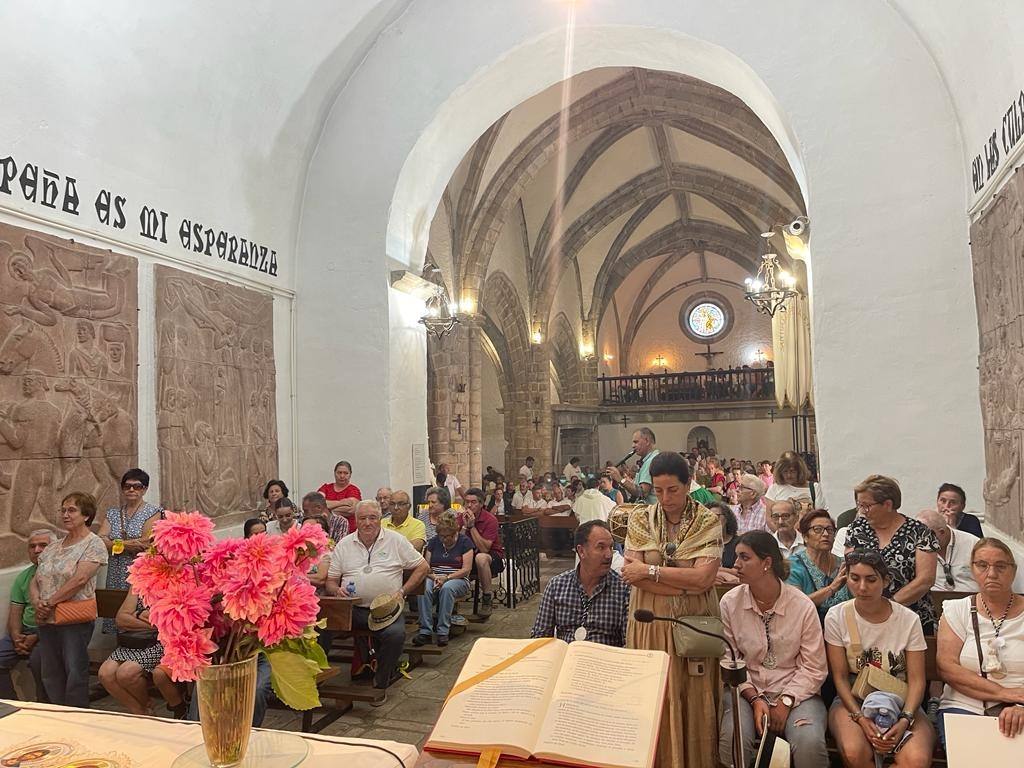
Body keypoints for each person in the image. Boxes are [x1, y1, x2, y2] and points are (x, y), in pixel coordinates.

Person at [621, 451, 721, 768]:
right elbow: (629, 572)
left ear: (688, 483)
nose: (665, 498)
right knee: (655, 696)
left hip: (693, 623)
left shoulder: (708, 521)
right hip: (649, 620)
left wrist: (651, 573)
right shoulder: (639, 518)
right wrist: (685, 583)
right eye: (658, 490)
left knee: (694, 696)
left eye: (673, 490)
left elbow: (705, 577)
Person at [719, 531, 829, 768]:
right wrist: (754, 697)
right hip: (745, 691)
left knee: (809, 741)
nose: (735, 565)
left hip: (798, 694)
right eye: (736, 557)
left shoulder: (801, 606)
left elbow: (814, 667)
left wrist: (786, 700)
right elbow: (729, 660)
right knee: (733, 737)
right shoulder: (730, 602)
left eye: (744, 558)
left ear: (767, 563)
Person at [824, 550, 934, 766]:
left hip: (900, 698)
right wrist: (860, 718)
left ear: (886, 580)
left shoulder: (908, 619)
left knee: (917, 760)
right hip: (853, 699)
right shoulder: (837, 616)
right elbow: (840, 678)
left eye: (871, 579)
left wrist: (906, 718)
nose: (862, 587)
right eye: (855, 578)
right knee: (854, 752)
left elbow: (917, 680)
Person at [325, 500, 428, 700]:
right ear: (355, 521)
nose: (368, 523)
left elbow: (423, 566)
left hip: (386, 610)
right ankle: (318, 678)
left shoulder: (395, 540)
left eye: (373, 518)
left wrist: (403, 591)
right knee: (320, 625)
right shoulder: (345, 544)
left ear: (380, 519)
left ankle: (381, 682)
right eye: (362, 518)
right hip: (352, 609)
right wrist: (336, 590)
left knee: (396, 635)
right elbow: (330, 580)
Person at [936, 537, 1024, 743]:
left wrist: (1019, 705)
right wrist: (1005, 694)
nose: (991, 574)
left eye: (1001, 566)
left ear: (1014, 570)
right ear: (972, 569)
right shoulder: (957, 610)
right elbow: (947, 667)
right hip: (964, 706)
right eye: (982, 565)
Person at [30, 492, 108, 707]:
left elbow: (80, 579)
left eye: (71, 510)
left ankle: (77, 714)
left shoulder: (93, 544)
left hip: (73, 617)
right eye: (63, 510)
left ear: (86, 515)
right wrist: (37, 602)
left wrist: (50, 602)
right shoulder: (55, 545)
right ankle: (57, 711)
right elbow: (37, 577)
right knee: (51, 670)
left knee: (75, 669)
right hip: (46, 617)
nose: (65, 514)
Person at [845, 475, 939, 632]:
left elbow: (925, 579)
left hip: (911, 615)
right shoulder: (856, 529)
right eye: (859, 505)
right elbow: (850, 570)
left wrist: (888, 606)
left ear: (888, 504)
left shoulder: (920, 532)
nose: (862, 511)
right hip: (865, 615)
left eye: (867, 506)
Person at [532, 520, 629, 647]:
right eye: (601, 547)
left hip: (604, 663)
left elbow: (628, 644)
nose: (609, 555)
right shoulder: (557, 586)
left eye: (611, 547)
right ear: (581, 551)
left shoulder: (623, 590)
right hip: (564, 660)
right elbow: (540, 637)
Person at [99, 588, 185, 717]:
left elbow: (172, 622)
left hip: (162, 642)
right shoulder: (138, 582)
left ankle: (145, 710)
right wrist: (151, 621)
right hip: (135, 641)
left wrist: (136, 616)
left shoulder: (178, 581)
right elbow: (121, 619)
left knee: (127, 673)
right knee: (105, 674)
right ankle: (141, 711)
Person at [97, 468, 162, 633]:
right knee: (115, 609)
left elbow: (146, 543)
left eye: (137, 486)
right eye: (127, 486)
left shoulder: (153, 512)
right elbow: (100, 540)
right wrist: (127, 545)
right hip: (116, 571)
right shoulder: (113, 513)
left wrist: (115, 543)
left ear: (145, 489)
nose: (131, 490)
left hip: (140, 571)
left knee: (136, 613)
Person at [0, 530, 53, 701]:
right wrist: (16, 637)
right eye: (32, 546)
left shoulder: (61, 575)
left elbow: (58, 614)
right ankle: (12, 706)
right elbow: (15, 611)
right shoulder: (23, 577)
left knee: (40, 663)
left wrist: (36, 637)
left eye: (43, 545)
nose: (37, 550)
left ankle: (44, 708)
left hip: (50, 632)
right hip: (25, 631)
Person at [414, 511, 474, 647]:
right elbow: (426, 566)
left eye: (447, 536)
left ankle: (443, 631)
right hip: (435, 576)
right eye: (441, 536)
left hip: (457, 578)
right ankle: (425, 631)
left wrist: (446, 578)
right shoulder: (434, 542)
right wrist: (434, 577)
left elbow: (466, 569)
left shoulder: (465, 542)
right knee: (423, 588)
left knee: (447, 589)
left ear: (454, 533)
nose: (444, 539)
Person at [787, 509, 850, 618]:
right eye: (818, 529)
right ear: (805, 537)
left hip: (844, 627)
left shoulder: (844, 565)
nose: (825, 534)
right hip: (808, 628)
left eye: (829, 530)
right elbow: (795, 605)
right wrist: (831, 588)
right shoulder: (793, 565)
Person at [462, 487, 505, 618]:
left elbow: (485, 548)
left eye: (473, 502)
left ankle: (487, 598)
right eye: (467, 502)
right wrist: (464, 527)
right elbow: (456, 544)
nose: (469, 505)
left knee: (481, 558)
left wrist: (472, 527)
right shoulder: (461, 517)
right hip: (468, 555)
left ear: (481, 504)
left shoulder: (490, 519)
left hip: (491, 557)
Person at [918, 509, 979, 592]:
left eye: (926, 537)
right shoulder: (917, 546)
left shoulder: (973, 544)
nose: (922, 541)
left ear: (942, 532)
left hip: (969, 598)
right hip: (933, 599)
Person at [765, 453, 828, 518]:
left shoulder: (814, 488)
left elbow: (821, 515)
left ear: (799, 471)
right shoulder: (774, 489)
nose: (789, 475)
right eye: (785, 472)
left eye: (792, 471)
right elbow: (769, 518)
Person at [618, 427, 660, 505]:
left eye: (636, 442)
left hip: (650, 512)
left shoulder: (651, 461)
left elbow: (642, 493)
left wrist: (620, 479)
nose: (633, 446)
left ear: (647, 441)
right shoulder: (651, 459)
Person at [318, 460, 362, 529]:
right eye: (339, 473)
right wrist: (341, 503)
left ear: (350, 474)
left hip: (348, 532)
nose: (342, 476)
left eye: (345, 473)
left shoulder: (354, 490)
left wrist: (327, 511)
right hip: (326, 531)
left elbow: (350, 510)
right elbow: (317, 504)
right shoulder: (325, 487)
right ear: (334, 473)